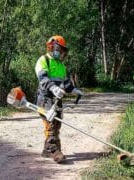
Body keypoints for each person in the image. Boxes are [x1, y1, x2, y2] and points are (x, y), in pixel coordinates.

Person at [35, 35, 83, 163]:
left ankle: (48, 150)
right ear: (51, 46)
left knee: (57, 124)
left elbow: (65, 83)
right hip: (45, 97)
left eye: (61, 50)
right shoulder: (43, 60)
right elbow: (43, 78)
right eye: (58, 48)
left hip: (58, 98)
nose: (60, 52)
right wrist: (52, 87)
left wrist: (73, 90)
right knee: (50, 123)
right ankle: (54, 151)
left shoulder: (61, 65)